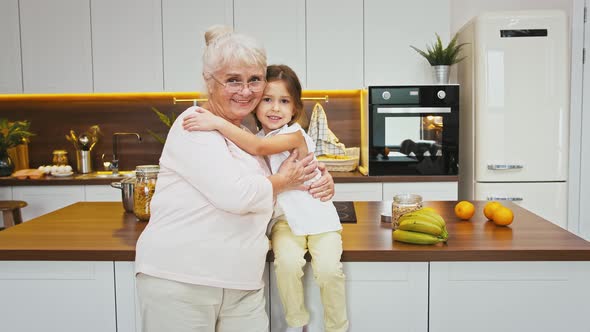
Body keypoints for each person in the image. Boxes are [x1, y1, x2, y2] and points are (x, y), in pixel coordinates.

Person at [134, 26, 335, 332]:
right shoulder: (193, 124)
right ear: (209, 81)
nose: (246, 91)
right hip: (182, 281)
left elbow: (273, 201)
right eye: (232, 80)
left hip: (243, 282)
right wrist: (283, 180)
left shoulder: (250, 138)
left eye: (254, 79)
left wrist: (316, 181)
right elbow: (238, 196)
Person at [183, 64, 349, 332]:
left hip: (320, 219)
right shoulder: (253, 136)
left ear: (295, 108)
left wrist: (216, 121)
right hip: (286, 221)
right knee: (286, 265)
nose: (275, 108)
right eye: (268, 100)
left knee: (329, 271)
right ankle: (297, 323)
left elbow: (259, 149)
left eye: (284, 101)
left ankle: (337, 327)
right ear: (256, 105)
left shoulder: (293, 136)